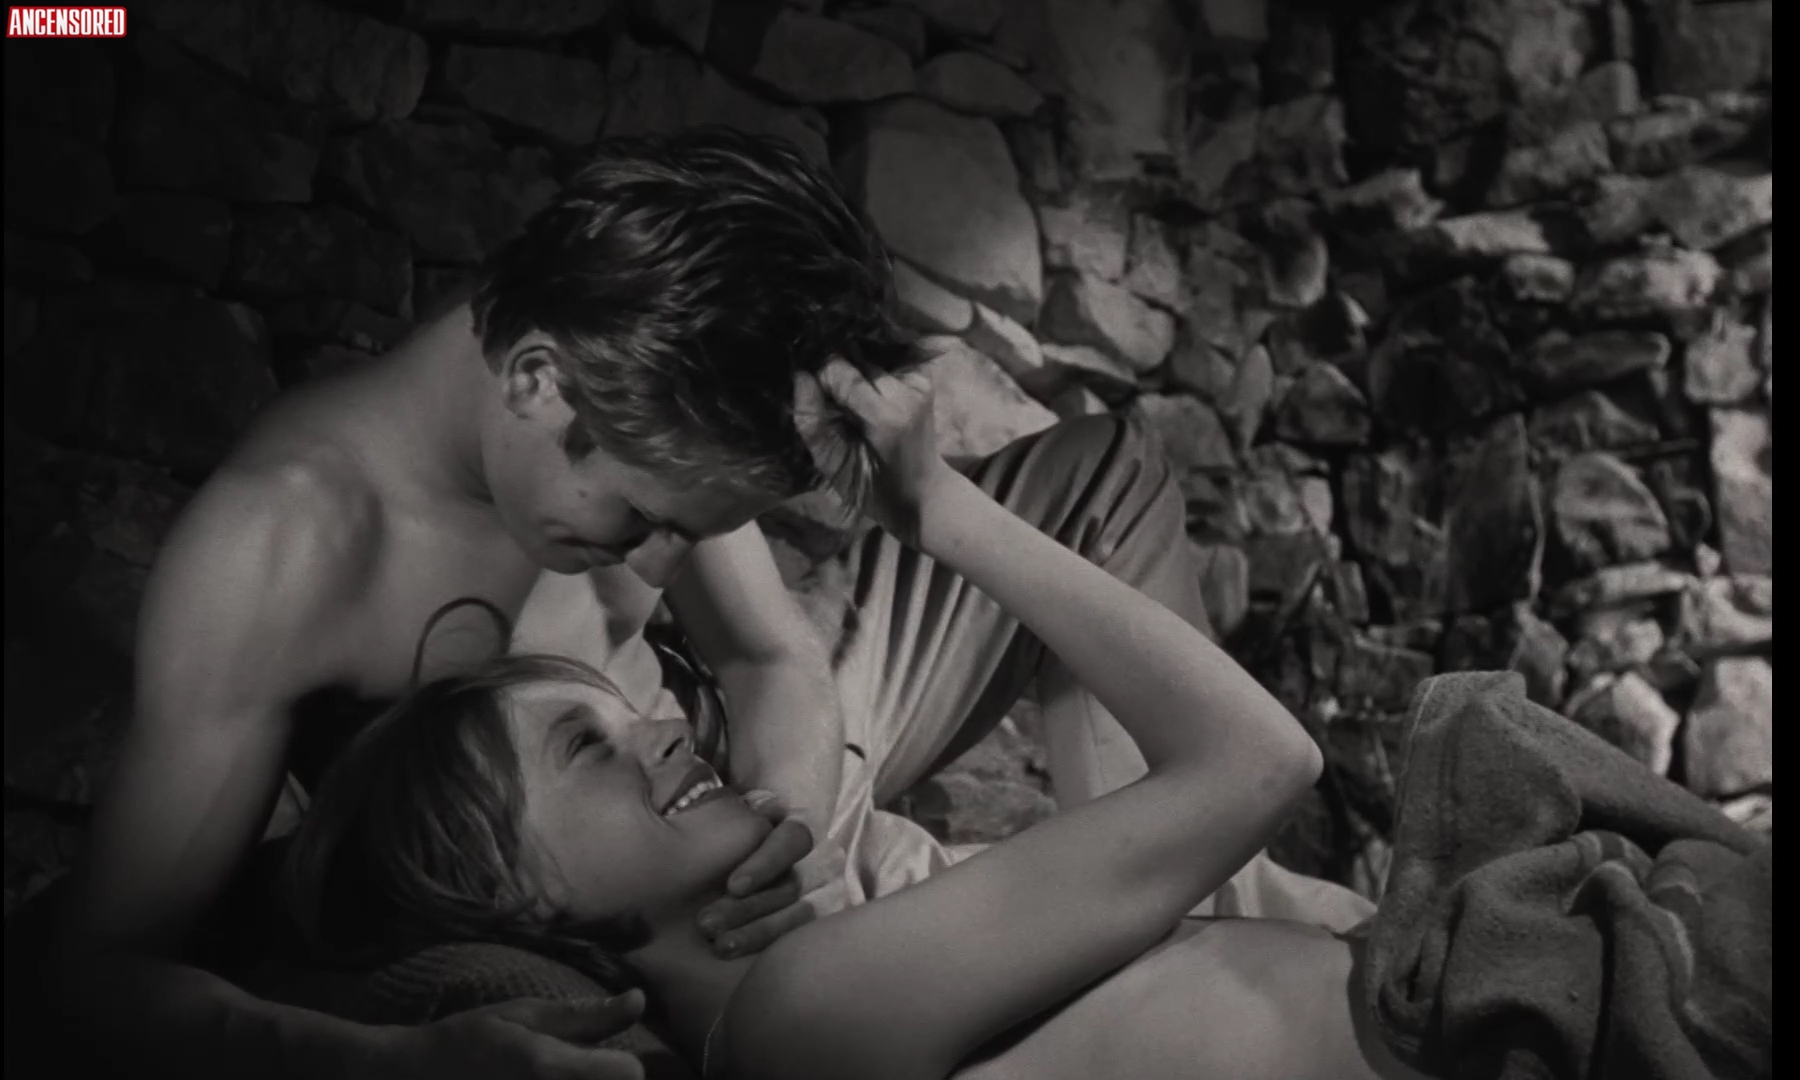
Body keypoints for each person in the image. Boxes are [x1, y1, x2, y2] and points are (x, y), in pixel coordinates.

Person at [40, 127, 1368, 1079]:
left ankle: (1189, 879)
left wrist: (781, 830)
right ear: (538, 383)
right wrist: (385, 1057)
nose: (676, 556)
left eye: (701, 522)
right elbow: (91, 973)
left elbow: (776, 660)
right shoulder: (281, 555)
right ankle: (1187, 878)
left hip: (748, 793)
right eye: (646, 519)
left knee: (1108, 473)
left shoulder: (634, 350)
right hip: (653, 851)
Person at [286, 358, 1426, 1080]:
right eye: (589, 746)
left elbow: (770, 654)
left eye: (628, 710)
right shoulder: (798, 1019)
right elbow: (1262, 759)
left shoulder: (811, 994)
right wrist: (943, 512)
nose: (672, 726)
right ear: (507, 894)